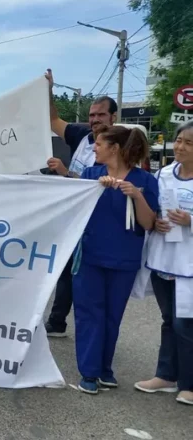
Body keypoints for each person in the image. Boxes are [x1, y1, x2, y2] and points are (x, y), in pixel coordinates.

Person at [72, 125, 158, 394]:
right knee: (89, 315)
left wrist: (135, 194)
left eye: (98, 144)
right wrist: (94, 189)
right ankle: (89, 372)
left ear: (115, 148)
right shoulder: (91, 174)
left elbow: (148, 223)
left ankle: (105, 369)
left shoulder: (145, 180)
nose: (94, 148)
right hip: (90, 257)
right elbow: (74, 209)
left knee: (111, 317)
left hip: (124, 259)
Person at [43, 69, 120, 338]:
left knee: (87, 275)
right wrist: (49, 89)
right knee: (65, 267)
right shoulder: (79, 134)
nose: (95, 120)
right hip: (73, 217)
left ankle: (94, 332)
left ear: (114, 117)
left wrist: (67, 174)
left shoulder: (122, 144)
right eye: (91, 115)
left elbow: (106, 181)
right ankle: (57, 321)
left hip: (101, 220)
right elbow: (53, 119)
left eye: (101, 115)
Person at [135, 121, 193, 406]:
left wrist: (190, 221)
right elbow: (154, 208)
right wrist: (155, 221)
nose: (180, 147)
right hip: (163, 260)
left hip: (189, 266)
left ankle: (189, 384)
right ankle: (166, 375)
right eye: (179, 140)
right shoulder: (164, 174)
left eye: (188, 143)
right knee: (169, 321)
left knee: (187, 324)